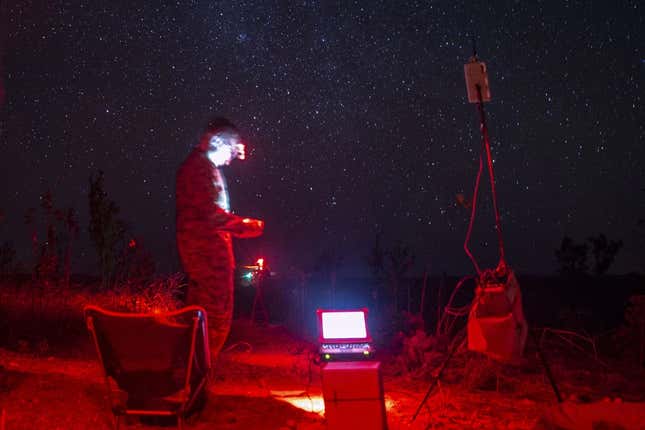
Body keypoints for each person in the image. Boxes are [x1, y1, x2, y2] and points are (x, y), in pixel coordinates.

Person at [176, 117, 264, 362]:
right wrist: (244, 226)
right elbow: (209, 215)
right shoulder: (198, 168)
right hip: (207, 263)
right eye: (231, 148)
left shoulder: (203, 168)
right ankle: (193, 382)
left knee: (206, 322)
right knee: (211, 322)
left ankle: (194, 380)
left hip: (209, 261)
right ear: (217, 141)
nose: (233, 157)